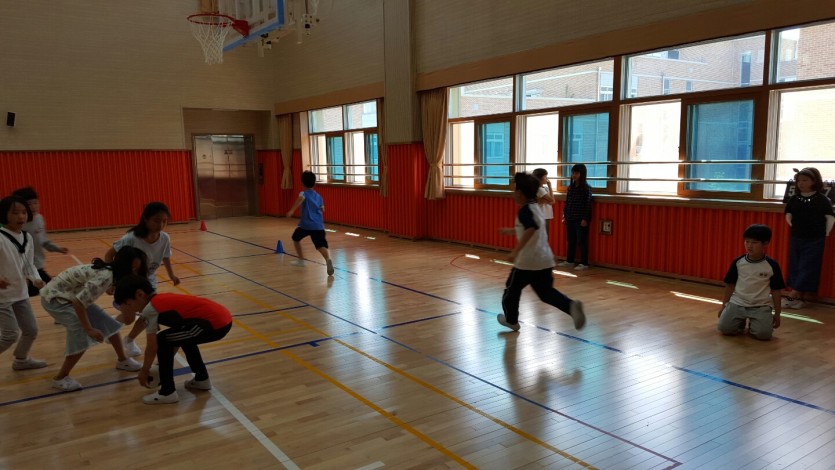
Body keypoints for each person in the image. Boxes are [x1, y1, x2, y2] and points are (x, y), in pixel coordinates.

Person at [40, 246, 148, 391]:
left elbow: (86, 295)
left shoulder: (111, 273)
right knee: (80, 332)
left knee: (107, 323)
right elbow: (78, 303)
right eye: (133, 269)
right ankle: (60, 378)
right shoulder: (106, 276)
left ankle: (123, 360)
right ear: (123, 265)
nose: (135, 272)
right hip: (56, 299)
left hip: (72, 295)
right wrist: (89, 329)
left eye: (137, 269)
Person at [114, 275, 233, 405]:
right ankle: (201, 379)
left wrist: (144, 371)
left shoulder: (150, 309)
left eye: (128, 304)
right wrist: (161, 365)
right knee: (182, 338)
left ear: (140, 294)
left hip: (214, 323)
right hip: (221, 320)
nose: (131, 308)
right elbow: (176, 337)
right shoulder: (159, 301)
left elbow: (152, 347)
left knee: (162, 339)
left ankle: (168, 392)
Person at [496, 172, 586, 332]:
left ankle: (511, 320)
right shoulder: (536, 208)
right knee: (546, 293)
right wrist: (510, 231)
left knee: (511, 291)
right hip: (544, 260)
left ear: (520, 194)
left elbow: (531, 228)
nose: (513, 194)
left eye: (514, 191)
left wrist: (515, 251)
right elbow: (528, 228)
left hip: (527, 262)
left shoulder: (525, 211)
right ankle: (571, 306)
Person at [105, 202, 180, 357]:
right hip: (128, 282)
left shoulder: (165, 238)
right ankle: (110, 325)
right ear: (145, 219)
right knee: (129, 318)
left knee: (149, 313)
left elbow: (166, 256)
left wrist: (171, 274)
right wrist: (112, 280)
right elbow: (109, 255)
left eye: (164, 221)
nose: (161, 225)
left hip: (147, 282)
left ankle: (129, 339)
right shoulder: (132, 238)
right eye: (156, 221)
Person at [0, 196, 47, 371]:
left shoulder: (27, 237)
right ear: (3, 215)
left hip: (20, 293)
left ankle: (21, 360)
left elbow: (28, 265)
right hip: (2, 297)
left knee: (31, 330)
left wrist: (35, 278)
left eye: (24, 212)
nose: (21, 216)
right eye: (15, 213)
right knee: (10, 335)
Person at [717, 224, 785, 341]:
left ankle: (755, 324)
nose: (749, 246)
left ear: (765, 244)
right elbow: (730, 285)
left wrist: (777, 314)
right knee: (724, 329)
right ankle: (740, 322)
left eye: (754, 242)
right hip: (737, 303)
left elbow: (776, 291)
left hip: (760, 306)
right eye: (747, 242)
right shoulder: (738, 262)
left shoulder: (772, 265)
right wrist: (724, 306)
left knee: (764, 335)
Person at [781, 167, 835, 309]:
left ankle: (793, 295)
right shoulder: (794, 199)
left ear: (814, 181)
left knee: (808, 265)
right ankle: (798, 296)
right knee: (795, 264)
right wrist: (790, 222)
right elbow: (788, 213)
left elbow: (830, 217)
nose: (801, 183)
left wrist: (827, 232)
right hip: (796, 237)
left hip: (815, 238)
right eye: (799, 180)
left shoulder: (822, 199)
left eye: (805, 180)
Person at [11, 187, 69, 296]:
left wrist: (58, 249)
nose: (33, 206)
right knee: (51, 289)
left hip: (37, 265)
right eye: (29, 204)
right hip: (23, 268)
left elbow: (44, 241)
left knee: (39, 291)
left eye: (35, 203)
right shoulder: (17, 224)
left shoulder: (39, 219)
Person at [285, 171, 335, 276]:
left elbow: (300, 199)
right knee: (320, 246)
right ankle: (328, 259)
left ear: (302, 183)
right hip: (318, 226)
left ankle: (301, 260)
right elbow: (322, 208)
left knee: (295, 238)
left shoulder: (303, 194)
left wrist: (292, 210)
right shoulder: (319, 196)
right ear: (314, 183)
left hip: (306, 225)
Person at [557, 163, 593, 271]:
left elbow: (588, 204)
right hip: (570, 218)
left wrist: (585, 219)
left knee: (581, 241)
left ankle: (584, 263)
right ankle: (569, 261)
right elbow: (567, 203)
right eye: (573, 173)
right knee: (571, 240)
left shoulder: (586, 188)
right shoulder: (571, 187)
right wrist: (565, 215)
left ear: (582, 174)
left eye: (576, 173)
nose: (574, 175)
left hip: (580, 219)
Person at [532, 168, 555, 240]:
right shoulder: (539, 189)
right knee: (542, 238)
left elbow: (552, 202)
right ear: (539, 178)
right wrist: (550, 186)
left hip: (545, 215)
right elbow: (552, 200)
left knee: (544, 237)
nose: (547, 178)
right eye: (545, 176)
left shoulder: (544, 188)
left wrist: (546, 200)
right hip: (542, 216)